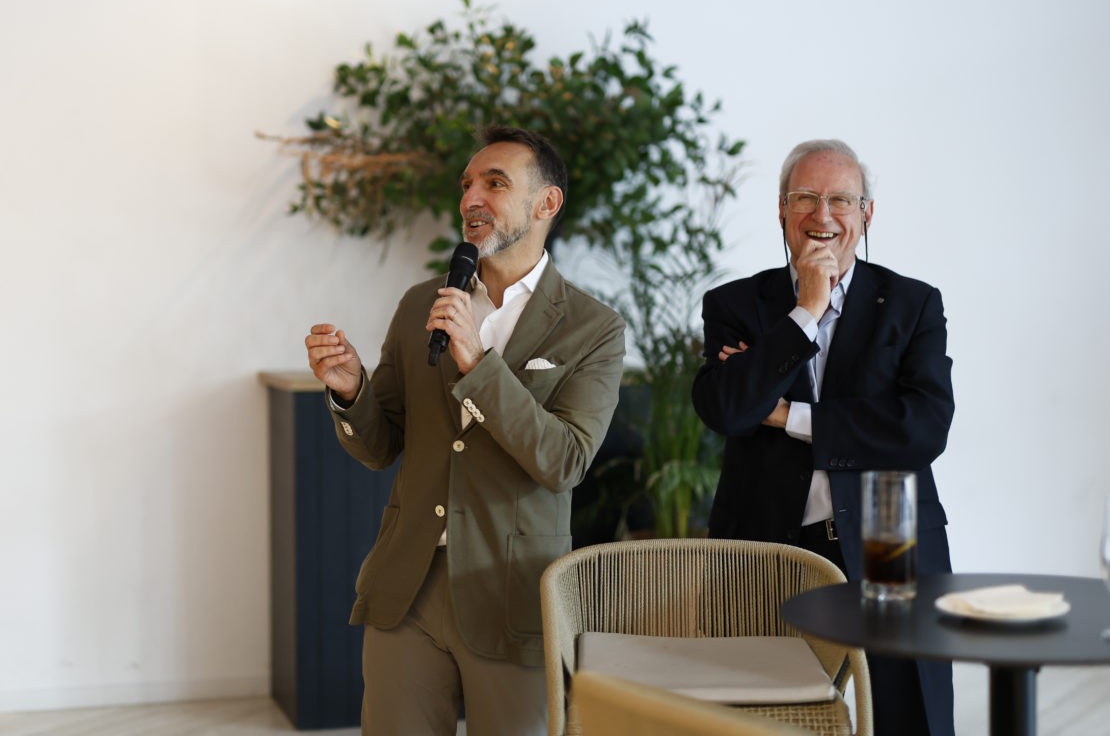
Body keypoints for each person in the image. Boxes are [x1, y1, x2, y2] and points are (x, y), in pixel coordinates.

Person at [304, 125, 626, 736]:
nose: (471, 198)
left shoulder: (593, 328)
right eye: (468, 184)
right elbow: (381, 447)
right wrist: (350, 390)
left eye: (495, 183)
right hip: (407, 589)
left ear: (546, 204)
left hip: (513, 595)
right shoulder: (421, 303)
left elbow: (564, 461)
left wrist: (480, 366)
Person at [691, 139, 955, 736]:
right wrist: (805, 312)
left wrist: (786, 415)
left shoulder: (912, 304)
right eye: (805, 198)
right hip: (765, 542)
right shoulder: (736, 304)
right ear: (781, 210)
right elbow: (728, 409)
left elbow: (922, 427)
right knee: (760, 714)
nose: (822, 214)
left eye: (840, 198)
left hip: (890, 540)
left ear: (867, 214)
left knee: (910, 712)